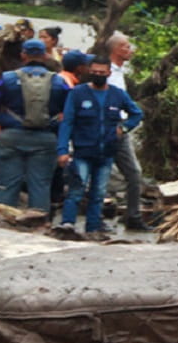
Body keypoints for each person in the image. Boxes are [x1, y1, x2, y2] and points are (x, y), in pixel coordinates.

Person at [54, 55, 141, 237]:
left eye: (102, 72)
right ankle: (67, 224)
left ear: (109, 73)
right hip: (83, 151)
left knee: (99, 192)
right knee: (76, 189)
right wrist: (62, 150)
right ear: (89, 72)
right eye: (94, 72)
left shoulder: (117, 94)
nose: (98, 75)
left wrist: (124, 128)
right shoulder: (77, 93)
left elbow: (136, 113)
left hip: (106, 152)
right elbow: (67, 122)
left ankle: (93, 227)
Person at [0, 40, 66, 211]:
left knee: (7, 184)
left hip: (11, 137)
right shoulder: (58, 82)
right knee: (40, 185)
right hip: (45, 139)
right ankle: (37, 225)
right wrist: (63, 144)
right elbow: (67, 114)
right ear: (45, 56)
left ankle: (3, 225)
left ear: (23, 55)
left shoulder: (6, 79)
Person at [102, 32, 148, 230]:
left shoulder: (121, 73)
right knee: (101, 174)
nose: (130, 50)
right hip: (107, 129)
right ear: (116, 49)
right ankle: (97, 218)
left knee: (134, 174)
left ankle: (133, 216)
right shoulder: (107, 73)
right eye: (126, 46)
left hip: (122, 129)